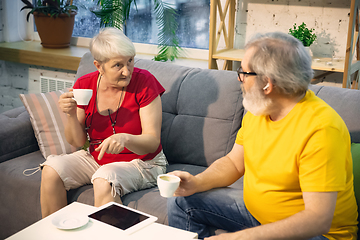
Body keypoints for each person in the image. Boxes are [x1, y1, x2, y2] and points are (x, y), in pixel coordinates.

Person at [167, 32, 358, 239]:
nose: (239, 79)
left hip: (317, 235)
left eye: (243, 73)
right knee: (182, 200)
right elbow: (234, 163)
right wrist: (196, 182)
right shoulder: (260, 109)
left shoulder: (321, 129)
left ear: (267, 83)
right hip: (258, 216)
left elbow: (317, 219)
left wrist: (238, 238)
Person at [40, 27, 167, 218]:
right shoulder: (85, 85)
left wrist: (126, 139)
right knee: (52, 170)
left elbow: (152, 142)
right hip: (98, 157)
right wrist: (71, 114)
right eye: (118, 65)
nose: (127, 71)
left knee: (104, 179)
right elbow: (76, 141)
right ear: (99, 66)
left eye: (130, 61)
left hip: (144, 162)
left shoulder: (145, 83)